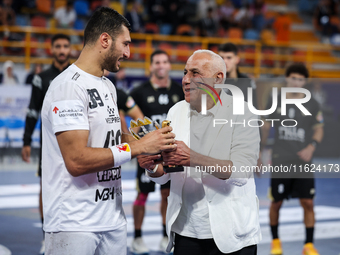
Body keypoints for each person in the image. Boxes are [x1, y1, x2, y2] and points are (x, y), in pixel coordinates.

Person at [40, 7, 175, 255]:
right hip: (74, 223)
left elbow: (111, 139)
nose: (128, 52)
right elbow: (77, 160)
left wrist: (146, 149)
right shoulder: (67, 87)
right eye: (125, 44)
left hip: (112, 218)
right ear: (105, 40)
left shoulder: (107, 86)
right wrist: (138, 147)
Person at [138, 50, 261, 254]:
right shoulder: (176, 111)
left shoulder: (244, 112)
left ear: (218, 78)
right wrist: (152, 167)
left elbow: (241, 172)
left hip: (232, 231)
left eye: (195, 73)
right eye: (185, 72)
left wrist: (192, 158)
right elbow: (169, 172)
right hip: (186, 229)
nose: (186, 79)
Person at [261, 63, 324, 255]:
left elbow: (319, 128)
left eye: (301, 79)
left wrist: (311, 146)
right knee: (276, 202)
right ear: (287, 78)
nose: (296, 82)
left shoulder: (312, 103)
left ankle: (309, 244)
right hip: (281, 159)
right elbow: (265, 125)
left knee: (308, 203)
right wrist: (262, 149)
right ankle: (275, 241)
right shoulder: (275, 99)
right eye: (293, 78)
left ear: (305, 82)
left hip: (302, 161)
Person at [129, 49, 184, 253]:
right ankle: (137, 237)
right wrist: (137, 143)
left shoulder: (179, 92)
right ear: (151, 66)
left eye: (164, 61)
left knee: (167, 194)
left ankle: (165, 234)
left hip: (170, 151)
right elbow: (128, 114)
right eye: (157, 62)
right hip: (147, 153)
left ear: (169, 65)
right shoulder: (139, 91)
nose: (161, 65)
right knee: (142, 196)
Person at [21, 33, 71, 255]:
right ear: (52, 49)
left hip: (74, 143)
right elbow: (32, 111)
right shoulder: (41, 78)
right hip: (49, 145)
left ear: (70, 49)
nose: (62, 50)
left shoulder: (76, 75)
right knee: (46, 188)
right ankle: (46, 236)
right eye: (58, 46)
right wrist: (26, 141)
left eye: (65, 46)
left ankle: (70, 233)